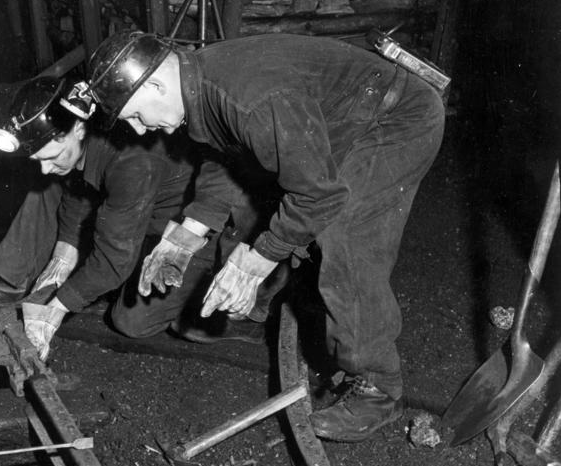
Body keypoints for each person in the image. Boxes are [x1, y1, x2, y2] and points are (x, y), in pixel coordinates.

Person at [76, 31, 445, 442]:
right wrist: (189, 232)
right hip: (344, 118)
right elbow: (228, 157)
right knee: (276, 210)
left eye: (134, 115)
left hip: (395, 119)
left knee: (345, 236)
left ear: (156, 84)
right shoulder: (198, 84)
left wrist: (257, 260)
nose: (140, 131)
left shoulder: (248, 97)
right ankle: (272, 305)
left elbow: (317, 197)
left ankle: (379, 389)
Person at [0, 76, 269, 362]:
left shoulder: (131, 163)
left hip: (193, 229)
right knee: (46, 187)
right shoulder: (84, 128)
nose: (44, 168)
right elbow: (77, 191)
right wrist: (62, 259)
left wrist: (54, 311)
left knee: (132, 321)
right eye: (38, 159)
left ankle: (243, 318)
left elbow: (114, 260)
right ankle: (10, 283)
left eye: (52, 156)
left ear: (78, 129)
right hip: (131, 209)